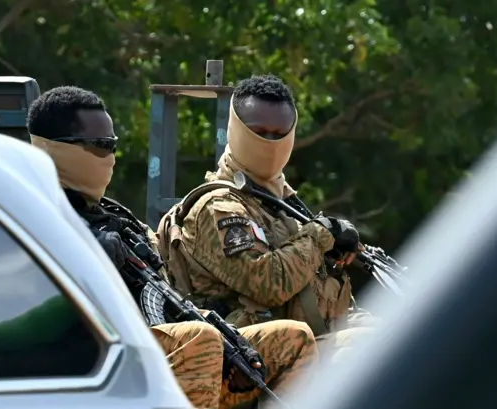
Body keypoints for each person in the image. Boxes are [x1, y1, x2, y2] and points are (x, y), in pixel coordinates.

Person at [27, 85, 318, 409]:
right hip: (87, 356)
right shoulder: (30, 212)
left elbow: (166, 299)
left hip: (152, 347)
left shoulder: (116, 219)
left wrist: (231, 341)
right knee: (200, 339)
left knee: (292, 339)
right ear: (57, 148)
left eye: (112, 145)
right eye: (99, 145)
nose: (110, 157)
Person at [157, 74, 377, 360]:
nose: (270, 144)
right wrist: (320, 234)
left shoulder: (283, 206)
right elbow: (270, 284)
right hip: (241, 359)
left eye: (279, 134)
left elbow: (323, 302)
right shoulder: (218, 207)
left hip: (301, 347)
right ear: (236, 131)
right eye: (259, 132)